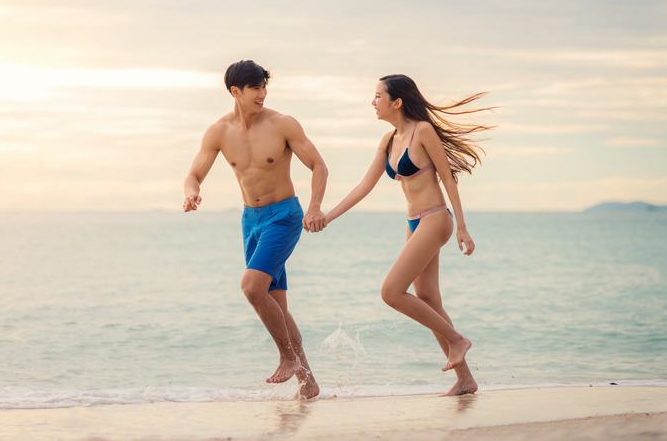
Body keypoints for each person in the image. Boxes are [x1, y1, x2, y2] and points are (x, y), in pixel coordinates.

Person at [324, 74, 493, 396]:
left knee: (391, 291)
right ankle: (466, 380)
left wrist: (462, 226)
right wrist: (327, 218)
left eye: (377, 96)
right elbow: (364, 186)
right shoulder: (388, 141)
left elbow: (447, 178)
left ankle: (458, 341)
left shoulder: (423, 131)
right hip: (413, 221)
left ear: (396, 101)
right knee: (428, 299)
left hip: (435, 219)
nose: (372, 102)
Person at [183, 60, 328, 399]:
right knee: (276, 304)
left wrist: (315, 206)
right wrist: (191, 193)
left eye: (265, 86)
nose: (263, 94)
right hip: (251, 220)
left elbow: (319, 165)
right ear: (236, 92)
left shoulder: (283, 124)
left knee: (251, 287)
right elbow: (194, 174)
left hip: (284, 216)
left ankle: (288, 358)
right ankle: (309, 384)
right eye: (255, 88)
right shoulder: (218, 131)